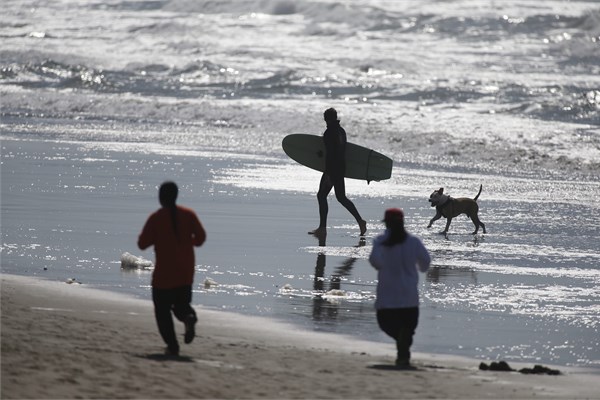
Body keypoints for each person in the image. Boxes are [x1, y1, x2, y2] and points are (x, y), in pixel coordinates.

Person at [138, 181, 207, 356]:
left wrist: (160, 239)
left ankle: (173, 345)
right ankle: (188, 318)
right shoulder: (188, 215)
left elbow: (142, 244)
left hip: (163, 277)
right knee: (181, 306)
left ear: (161, 198)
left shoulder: (156, 218)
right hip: (185, 274)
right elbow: (200, 238)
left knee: (162, 312)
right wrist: (185, 243)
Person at [368, 208, 430, 368]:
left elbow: (375, 262)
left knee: (388, 325)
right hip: (409, 296)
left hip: (387, 296)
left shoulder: (380, 241)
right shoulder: (414, 242)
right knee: (408, 329)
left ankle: (402, 350)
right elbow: (425, 264)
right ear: (402, 222)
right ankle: (403, 354)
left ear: (386, 223)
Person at [309, 108, 367, 237]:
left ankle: (322, 228)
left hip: (332, 169)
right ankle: (360, 221)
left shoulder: (329, 132)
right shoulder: (341, 131)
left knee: (321, 196)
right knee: (341, 198)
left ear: (326, 118)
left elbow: (331, 152)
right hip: (341, 167)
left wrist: (328, 170)